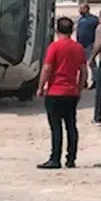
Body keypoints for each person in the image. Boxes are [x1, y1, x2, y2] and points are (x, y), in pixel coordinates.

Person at [37, 16, 86, 169]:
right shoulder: (78, 48)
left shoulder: (54, 47)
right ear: (72, 30)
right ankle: (71, 158)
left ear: (57, 30)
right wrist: (80, 87)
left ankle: (55, 158)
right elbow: (84, 70)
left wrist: (40, 86)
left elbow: (47, 68)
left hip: (55, 91)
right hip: (71, 92)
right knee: (71, 125)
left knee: (56, 127)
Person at [74, 2, 98, 85]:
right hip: (80, 45)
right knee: (82, 64)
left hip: (90, 44)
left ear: (86, 9)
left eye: (81, 8)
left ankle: (95, 80)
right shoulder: (80, 19)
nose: (79, 10)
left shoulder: (94, 19)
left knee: (92, 63)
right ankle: (84, 81)